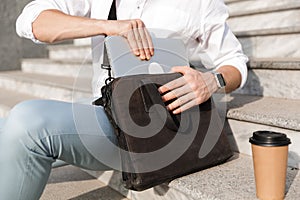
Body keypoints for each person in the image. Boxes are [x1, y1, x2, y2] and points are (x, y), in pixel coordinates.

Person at [0, 0, 248, 199]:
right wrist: (107, 26)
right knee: (6, 128)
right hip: (106, 107)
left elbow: (235, 62)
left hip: (153, 127)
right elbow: (31, 20)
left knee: (28, 122)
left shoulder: (199, 4)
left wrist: (213, 81)